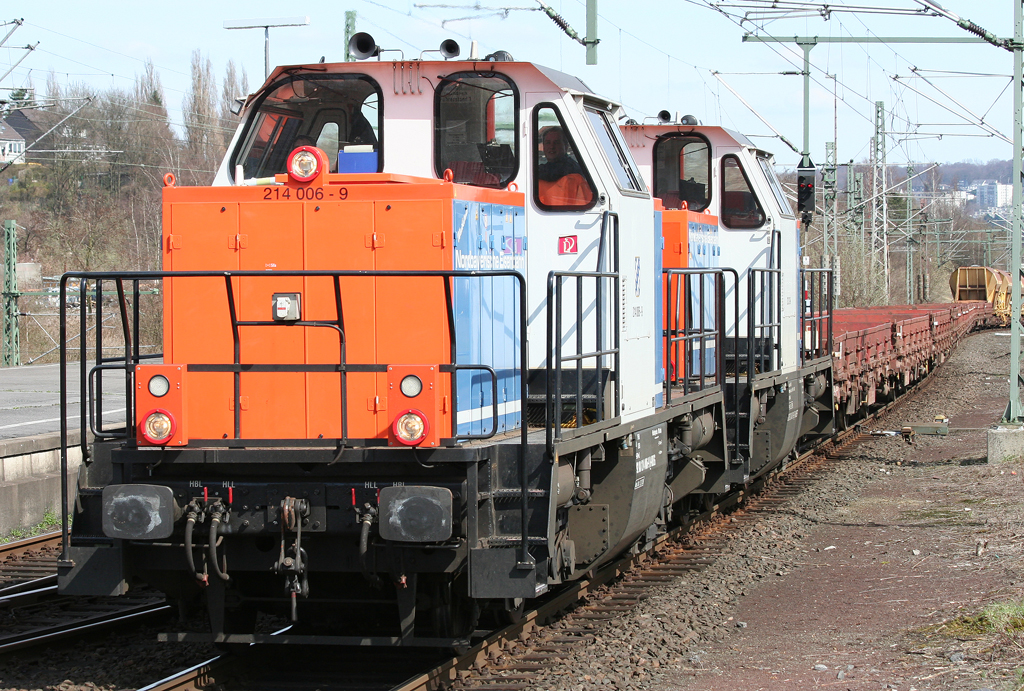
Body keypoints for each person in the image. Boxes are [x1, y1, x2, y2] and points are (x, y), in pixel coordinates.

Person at [537, 126, 593, 208]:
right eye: (548, 142)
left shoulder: (573, 170)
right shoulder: (542, 169)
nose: (551, 146)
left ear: (566, 146)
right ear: (544, 146)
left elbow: (552, 174)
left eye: (556, 142)